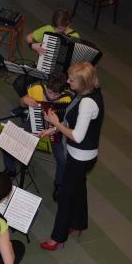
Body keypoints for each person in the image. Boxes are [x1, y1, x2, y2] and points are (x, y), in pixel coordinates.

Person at [39, 62, 104, 251]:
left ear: (82, 82)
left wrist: (56, 124)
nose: (68, 81)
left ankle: (57, 238)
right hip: (84, 155)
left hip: (80, 158)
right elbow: (72, 121)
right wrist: (52, 129)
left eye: (72, 80)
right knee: (79, 188)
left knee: (65, 197)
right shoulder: (89, 92)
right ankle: (79, 222)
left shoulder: (87, 103)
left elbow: (77, 136)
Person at [4, 73, 73, 201]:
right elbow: (22, 104)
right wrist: (24, 101)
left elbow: (68, 123)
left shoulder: (67, 99)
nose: (52, 97)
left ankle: (59, 184)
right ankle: (10, 170)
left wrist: (54, 127)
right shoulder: (37, 90)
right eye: (50, 92)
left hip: (55, 131)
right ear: (46, 87)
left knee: (62, 159)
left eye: (56, 95)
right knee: (10, 141)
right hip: (33, 123)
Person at [12, 9, 79, 97]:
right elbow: (28, 37)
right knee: (18, 84)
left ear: (68, 24)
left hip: (62, 74)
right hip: (44, 65)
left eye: (60, 28)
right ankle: (31, 102)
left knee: (63, 92)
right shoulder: (48, 29)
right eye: (54, 27)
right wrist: (33, 45)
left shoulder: (75, 37)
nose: (56, 30)